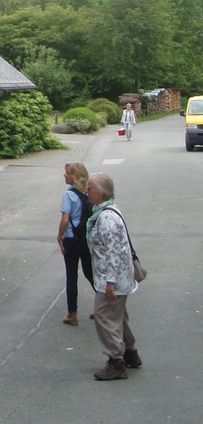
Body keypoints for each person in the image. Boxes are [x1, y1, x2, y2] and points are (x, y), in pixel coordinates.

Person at [86, 172, 142, 380]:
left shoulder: (106, 217)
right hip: (120, 278)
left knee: (103, 315)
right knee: (118, 316)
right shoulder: (109, 210)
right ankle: (130, 353)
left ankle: (116, 361)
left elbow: (113, 252)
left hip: (112, 279)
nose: (87, 192)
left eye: (90, 188)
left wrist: (110, 282)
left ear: (100, 192)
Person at [57, 162, 94, 326]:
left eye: (67, 173)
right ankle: (104, 306)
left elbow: (65, 219)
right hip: (84, 239)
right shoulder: (87, 193)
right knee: (90, 273)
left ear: (74, 177)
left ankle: (72, 314)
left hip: (71, 239)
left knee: (71, 276)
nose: (64, 176)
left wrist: (59, 237)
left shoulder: (68, 195)